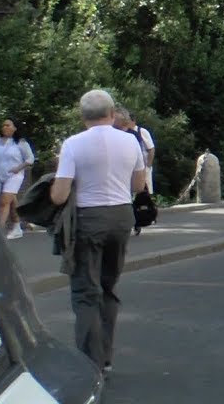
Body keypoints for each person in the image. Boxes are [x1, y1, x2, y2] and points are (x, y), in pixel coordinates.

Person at [50, 89, 147, 376]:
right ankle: (105, 356)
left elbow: (59, 195)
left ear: (82, 117)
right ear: (113, 113)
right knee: (107, 287)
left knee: (84, 291)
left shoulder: (73, 144)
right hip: (120, 217)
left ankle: (89, 363)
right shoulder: (130, 142)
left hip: (88, 218)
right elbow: (139, 185)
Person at [0, 118, 35, 240]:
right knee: (11, 202)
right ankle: (17, 226)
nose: (5, 127)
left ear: (15, 128)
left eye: (8, 125)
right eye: (3, 125)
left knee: (3, 202)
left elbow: (30, 159)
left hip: (14, 176)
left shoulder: (20, 143)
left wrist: (18, 168)